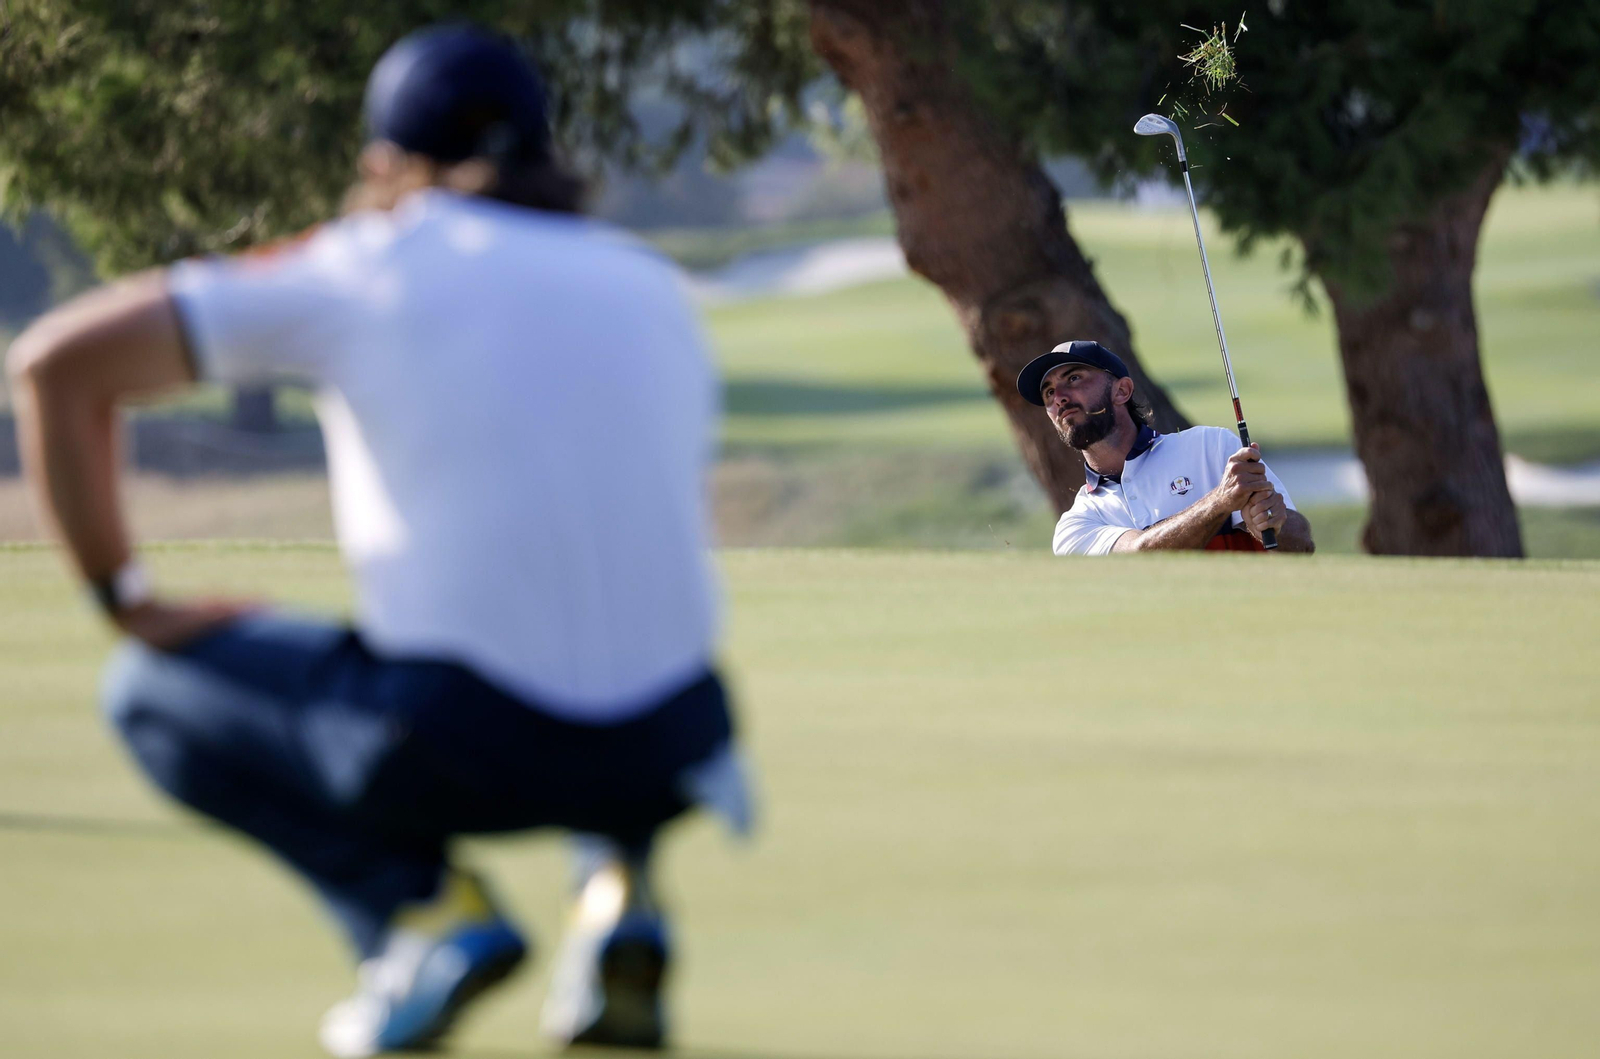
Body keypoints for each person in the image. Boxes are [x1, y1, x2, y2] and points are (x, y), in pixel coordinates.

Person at [5, 24, 749, 1058]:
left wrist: (122, 595)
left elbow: (53, 366)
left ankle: (424, 919)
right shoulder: (651, 283)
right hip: (681, 747)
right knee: (585, 630)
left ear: (387, 166)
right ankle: (617, 891)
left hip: (465, 743)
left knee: (147, 690)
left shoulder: (371, 262)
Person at [1016, 340, 1315, 554]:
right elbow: (1141, 555)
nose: (1060, 397)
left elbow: (1302, 545)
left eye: (1074, 378)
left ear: (1122, 391)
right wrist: (1220, 504)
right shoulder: (1076, 525)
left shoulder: (1211, 447)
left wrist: (1274, 525)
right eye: (1049, 392)